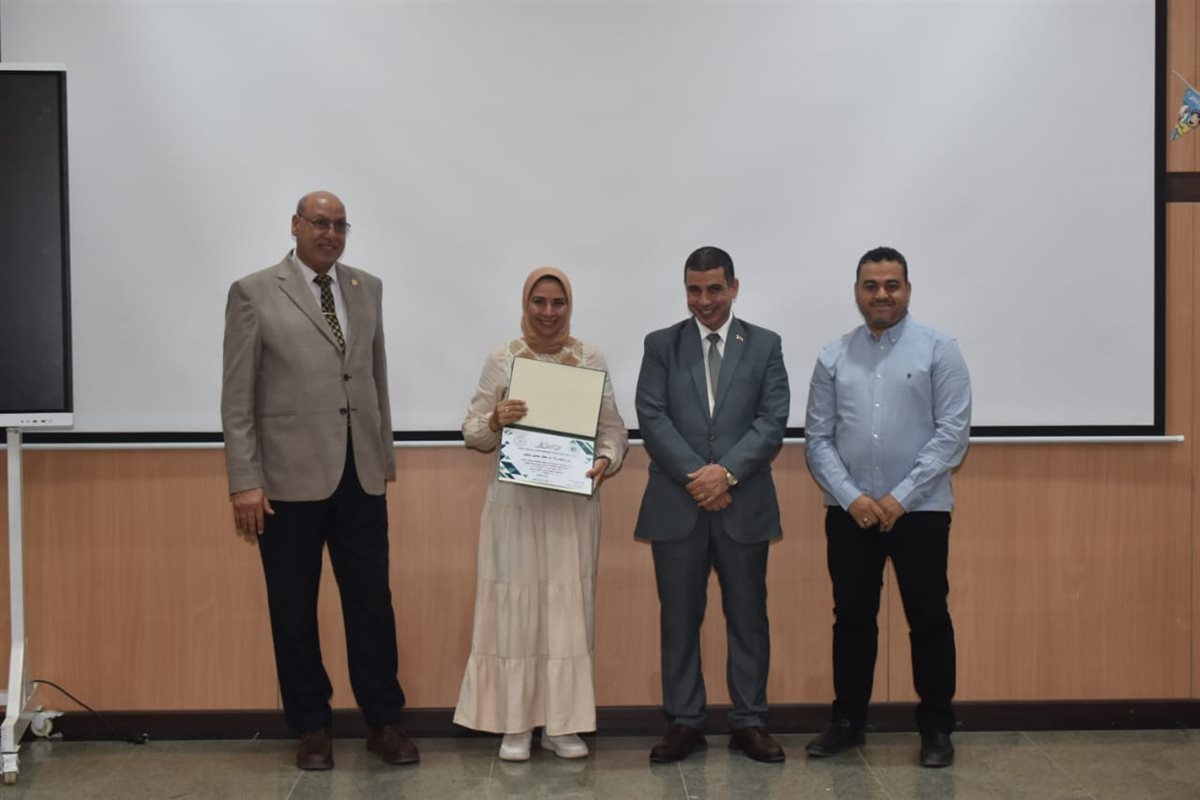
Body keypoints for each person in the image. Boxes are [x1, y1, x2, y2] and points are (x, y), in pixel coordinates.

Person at [221, 191, 418, 770]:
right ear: (296, 225)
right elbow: (237, 397)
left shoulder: (366, 288)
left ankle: (384, 721)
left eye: (340, 225)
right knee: (293, 609)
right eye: (320, 223)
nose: (331, 234)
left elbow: (375, 379)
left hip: (361, 476)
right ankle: (311, 728)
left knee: (372, 605)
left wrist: (383, 459)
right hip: (285, 483)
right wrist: (244, 480)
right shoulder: (254, 292)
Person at [803, 246, 971, 768]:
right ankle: (847, 723)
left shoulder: (940, 349)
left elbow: (952, 434)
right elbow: (817, 438)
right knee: (852, 620)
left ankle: (937, 729)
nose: (881, 294)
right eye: (871, 285)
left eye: (891, 285)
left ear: (907, 290)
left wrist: (901, 497)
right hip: (850, 511)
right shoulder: (833, 356)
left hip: (921, 511)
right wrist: (852, 497)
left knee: (929, 618)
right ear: (857, 292)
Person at [454, 267, 628, 762]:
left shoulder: (590, 357)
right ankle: (515, 725)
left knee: (567, 613)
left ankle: (561, 725)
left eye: (558, 303)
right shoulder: (502, 358)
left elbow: (613, 431)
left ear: (569, 306)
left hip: (572, 506)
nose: (549, 313)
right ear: (525, 304)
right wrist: (495, 419)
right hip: (515, 504)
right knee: (514, 612)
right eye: (539, 302)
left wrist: (605, 461)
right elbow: (472, 432)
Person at [633, 246, 790, 764]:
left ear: (734, 288)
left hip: (743, 504)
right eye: (694, 290)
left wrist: (725, 474)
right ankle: (685, 722)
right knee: (679, 619)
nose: (704, 300)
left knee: (748, 617)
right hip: (677, 506)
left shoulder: (765, 344)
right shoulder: (661, 345)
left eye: (714, 289)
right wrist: (697, 477)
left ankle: (749, 721)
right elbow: (652, 416)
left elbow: (772, 420)